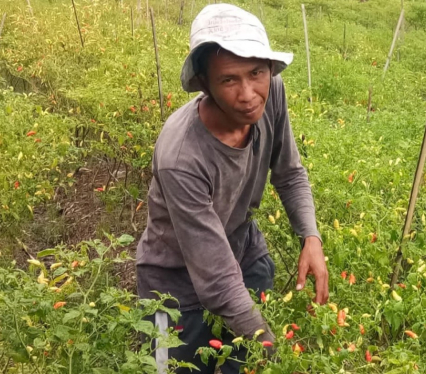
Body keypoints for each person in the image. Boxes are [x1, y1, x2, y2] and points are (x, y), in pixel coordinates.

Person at [135, 4, 329, 373]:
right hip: (176, 282)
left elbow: (288, 173)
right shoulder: (181, 156)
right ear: (205, 84)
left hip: (242, 249)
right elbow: (216, 281)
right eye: (228, 80)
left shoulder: (271, 93)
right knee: (181, 366)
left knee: (238, 361)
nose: (248, 94)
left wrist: (311, 237)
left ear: (269, 69)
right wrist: (278, 354)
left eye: (257, 72)